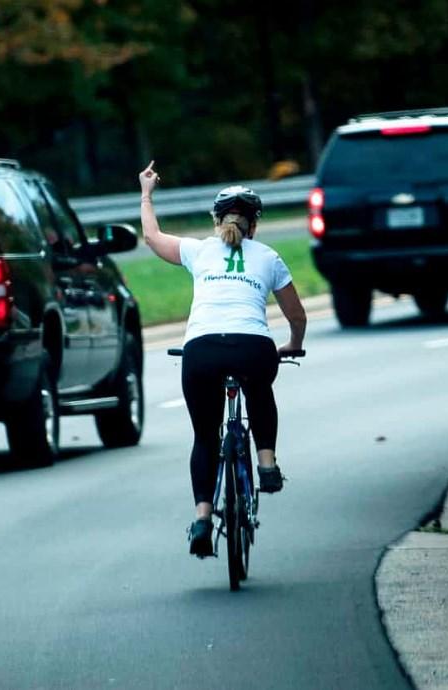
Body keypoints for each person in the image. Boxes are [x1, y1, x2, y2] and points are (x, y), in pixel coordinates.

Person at [138, 160, 307, 558]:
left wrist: (146, 193)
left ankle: (201, 517)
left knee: (205, 436)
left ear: (217, 221)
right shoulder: (268, 256)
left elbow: (151, 236)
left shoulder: (197, 251)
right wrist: (293, 343)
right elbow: (296, 315)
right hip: (253, 347)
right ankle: (266, 463)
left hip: (202, 350)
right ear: (255, 224)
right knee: (260, 390)